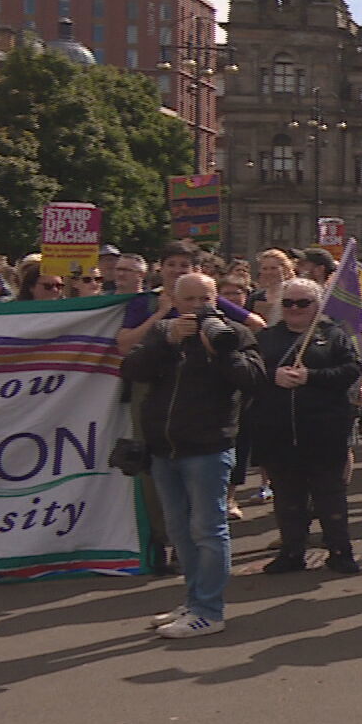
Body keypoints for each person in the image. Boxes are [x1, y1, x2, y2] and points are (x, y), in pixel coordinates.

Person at [123, 273, 268, 639]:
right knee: (179, 531)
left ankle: (209, 610)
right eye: (188, 299)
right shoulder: (164, 333)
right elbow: (130, 369)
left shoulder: (233, 332)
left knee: (208, 529)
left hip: (208, 448)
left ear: (216, 298)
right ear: (173, 299)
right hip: (164, 448)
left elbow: (253, 379)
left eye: (204, 298)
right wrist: (166, 340)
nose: (196, 306)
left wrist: (220, 350)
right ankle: (193, 599)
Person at [246, 277, 362, 576]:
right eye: (288, 303)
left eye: (302, 303)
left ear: (317, 305)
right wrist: (274, 377)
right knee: (287, 496)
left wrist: (312, 376)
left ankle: (340, 551)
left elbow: (352, 370)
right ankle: (291, 551)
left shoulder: (333, 335)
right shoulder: (267, 338)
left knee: (329, 494)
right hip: (279, 431)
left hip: (324, 431)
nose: (294, 309)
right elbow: (248, 373)